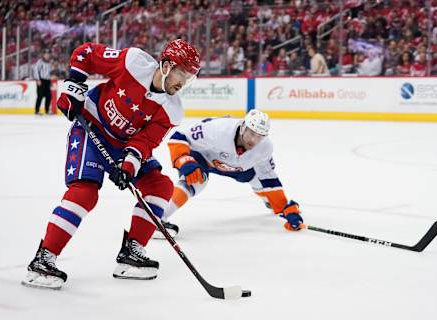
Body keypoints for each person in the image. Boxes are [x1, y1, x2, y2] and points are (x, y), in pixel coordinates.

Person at [22, 39, 200, 289]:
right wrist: (74, 86)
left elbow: (144, 141)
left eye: (190, 78)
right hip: (91, 127)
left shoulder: (172, 110)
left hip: (122, 144)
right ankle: (43, 260)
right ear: (168, 66)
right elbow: (86, 53)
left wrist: (129, 165)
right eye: (183, 74)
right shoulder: (133, 62)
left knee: (160, 187)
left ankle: (132, 253)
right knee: (84, 193)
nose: (183, 84)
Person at [154, 110, 303, 239]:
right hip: (203, 157)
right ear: (243, 127)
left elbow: (269, 177)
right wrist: (184, 160)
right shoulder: (218, 130)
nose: (254, 140)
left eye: (260, 136)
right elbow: (179, 137)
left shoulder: (264, 147)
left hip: (235, 166)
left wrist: (284, 207)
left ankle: (270, 202)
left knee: (257, 178)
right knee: (195, 181)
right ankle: (158, 217)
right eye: (251, 133)